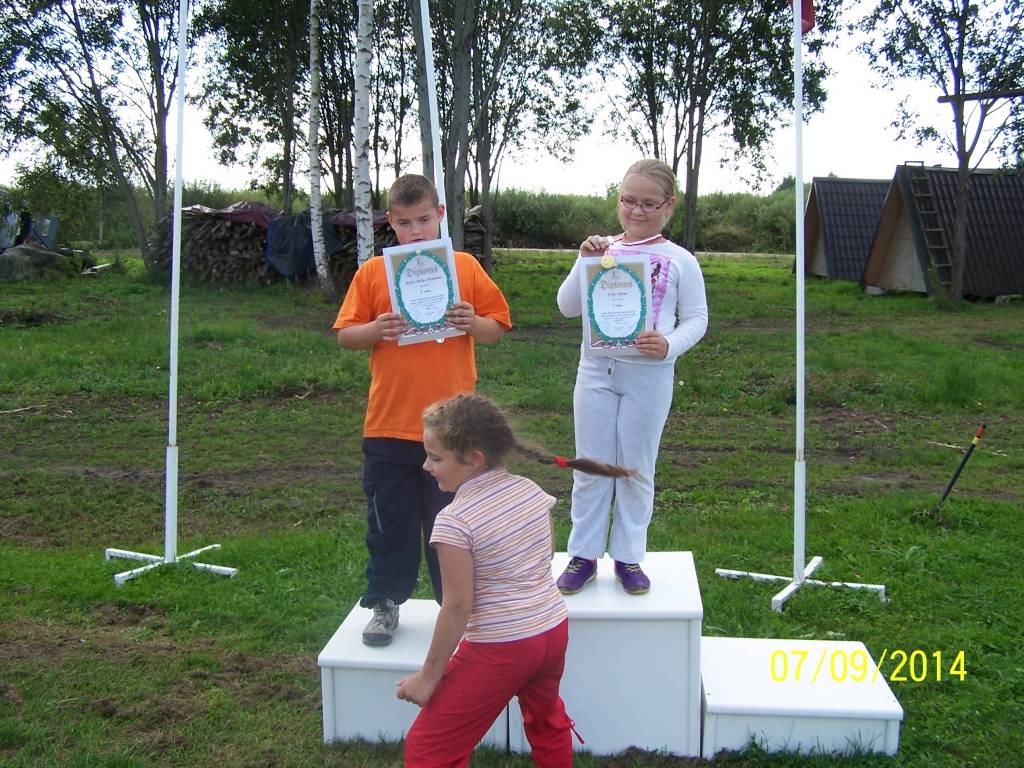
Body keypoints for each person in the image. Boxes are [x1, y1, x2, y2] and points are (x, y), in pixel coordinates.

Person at [397, 393, 633, 768]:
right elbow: (543, 558)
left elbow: (457, 607)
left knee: (428, 750)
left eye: (436, 458)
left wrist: (429, 676)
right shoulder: (530, 492)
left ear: (474, 459)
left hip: (502, 647)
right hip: (551, 630)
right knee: (547, 721)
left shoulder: (454, 523)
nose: (426, 466)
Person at [333, 174, 511, 647]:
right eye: (405, 223)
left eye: (424, 220)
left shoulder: (464, 267)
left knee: (450, 525)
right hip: (389, 426)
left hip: (454, 430)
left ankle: (455, 608)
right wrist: (376, 330)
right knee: (389, 521)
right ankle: (385, 603)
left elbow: (497, 327)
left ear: (441, 216)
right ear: (390, 223)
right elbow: (346, 335)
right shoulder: (374, 273)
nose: (416, 232)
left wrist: (472, 322)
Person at [554, 159, 708, 596]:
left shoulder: (680, 260)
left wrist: (669, 344)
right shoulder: (602, 250)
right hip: (596, 372)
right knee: (591, 465)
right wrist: (582, 262)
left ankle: (628, 556)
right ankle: (583, 555)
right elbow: (567, 306)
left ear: (668, 205)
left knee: (636, 468)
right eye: (629, 201)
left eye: (649, 204)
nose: (637, 211)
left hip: (649, 377)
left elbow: (697, 318)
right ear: (618, 200)